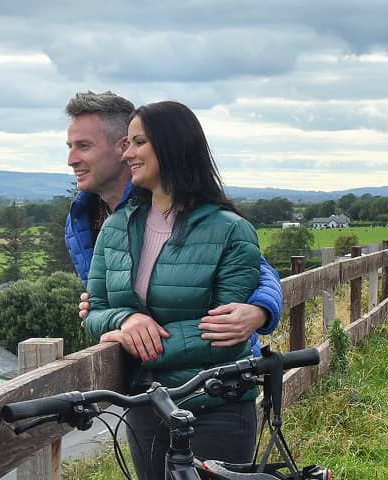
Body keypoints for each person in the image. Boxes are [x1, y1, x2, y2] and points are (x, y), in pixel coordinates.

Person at [82, 100, 264, 478]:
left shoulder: (230, 231)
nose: (127, 153)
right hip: (145, 408)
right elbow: (93, 312)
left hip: (216, 405)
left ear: (172, 145)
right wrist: (124, 321)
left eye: (138, 142)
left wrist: (132, 344)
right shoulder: (115, 230)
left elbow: (225, 335)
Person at [61, 91, 283, 358]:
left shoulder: (204, 217)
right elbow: (99, 307)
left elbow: (256, 267)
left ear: (121, 147)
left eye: (83, 146)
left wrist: (261, 309)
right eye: (70, 147)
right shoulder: (82, 220)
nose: (71, 159)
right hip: (137, 383)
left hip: (206, 377)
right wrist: (119, 319)